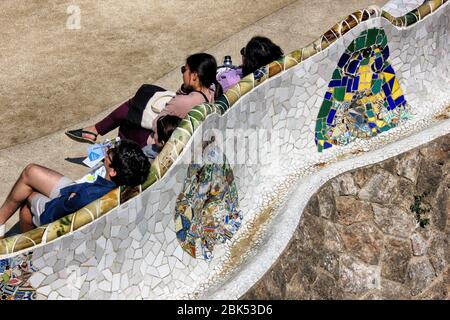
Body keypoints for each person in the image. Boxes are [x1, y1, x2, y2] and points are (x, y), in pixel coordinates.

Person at [65, 53, 223, 148]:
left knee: (129, 116)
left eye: (185, 70)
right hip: (185, 138)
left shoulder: (185, 102)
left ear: (194, 75)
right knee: (142, 98)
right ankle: (94, 130)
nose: (183, 73)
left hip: (160, 144)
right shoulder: (212, 92)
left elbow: (157, 124)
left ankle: (102, 137)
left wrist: (179, 94)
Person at [0, 139, 150, 237]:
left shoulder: (86, 197)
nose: (106, 152)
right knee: (30, 171)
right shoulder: (124, 183)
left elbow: (54, 213)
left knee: (27, 201)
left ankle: (29, 251)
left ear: (113, 171)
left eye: (110, 153)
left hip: (67, 206)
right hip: (79, 192)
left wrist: (34, 196)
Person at [217, 36, 284, 92]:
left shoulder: (229, 82)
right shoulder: (279, 76)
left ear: (249, 63)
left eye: (243, 53)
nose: (242, 55)